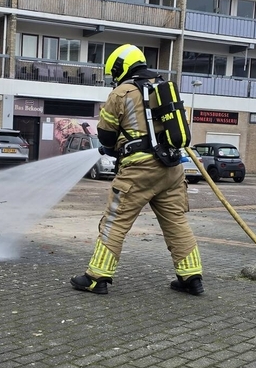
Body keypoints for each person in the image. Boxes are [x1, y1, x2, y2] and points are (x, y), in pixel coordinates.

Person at [70, 44, 204, 296]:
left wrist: (112, 147)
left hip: (139, 171)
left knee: (115, 221)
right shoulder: (164, 87)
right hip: (172, 170)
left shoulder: (122, 93)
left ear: (120, 68)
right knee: (176, 222)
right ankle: (191, 277)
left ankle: (96, 277)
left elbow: (106, 134)